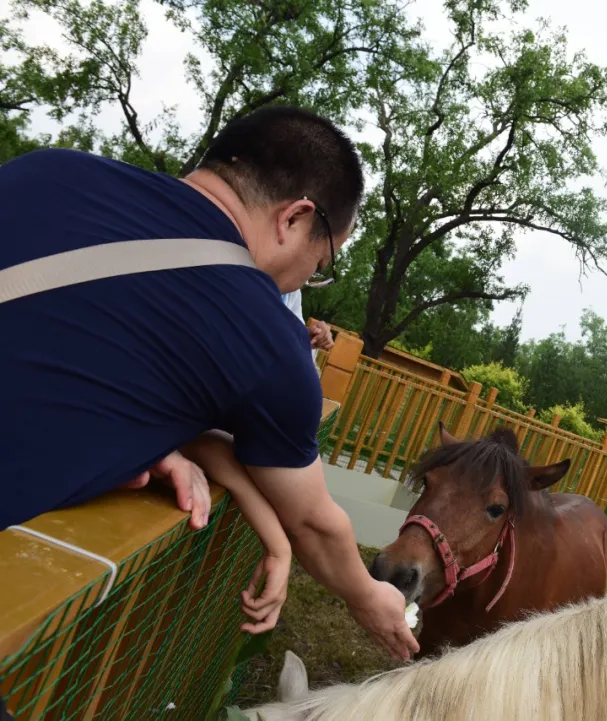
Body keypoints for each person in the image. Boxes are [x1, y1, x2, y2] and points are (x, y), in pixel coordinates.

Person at [0, 105, 420, 661]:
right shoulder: (267, 338)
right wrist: (368, 596)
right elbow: (317, 524)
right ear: (295, 218)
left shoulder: (47, 170)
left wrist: (163, 442)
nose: (308, 280)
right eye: (321, 263)